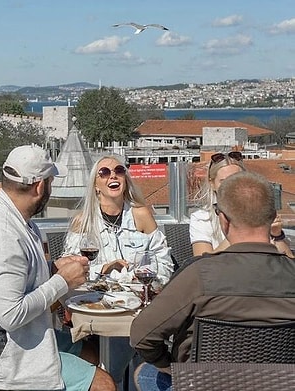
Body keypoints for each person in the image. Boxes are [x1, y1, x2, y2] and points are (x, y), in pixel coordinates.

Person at [0, 144, 115, 391]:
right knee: (104, 385)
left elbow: (17, 274)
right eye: (50, 181)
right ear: (40, 186)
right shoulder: (2, 234)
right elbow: (10, 315)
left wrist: (52, 267)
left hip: (14, 341)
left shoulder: (17, 220)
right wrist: (62, 281)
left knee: (89, 351)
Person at [130, 171, 295, 391]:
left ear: (223, 220)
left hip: (201, 384)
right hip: (280, 385)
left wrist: (169, 366)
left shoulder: (200, 275)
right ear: (272, 216)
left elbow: (141, 336)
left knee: (146, 374)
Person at [62, 154, 173, 387]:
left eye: (119, 170)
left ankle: (119, 380)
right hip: (98, 306)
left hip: (137, 306)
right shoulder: (83, 222)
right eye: (104, 172)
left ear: (125, 178)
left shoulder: (141, 215)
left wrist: (137, 276)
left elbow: (164, 266)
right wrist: (103, 269)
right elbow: (69, 269)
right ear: (96, 184)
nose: (112, 175)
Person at [190, 151, 293, 258]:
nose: (231, 187)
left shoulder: (260, 210)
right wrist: (239, 231)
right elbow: (201, 261)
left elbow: (289, 264)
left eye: (236, 180)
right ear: (212, 184)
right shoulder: (201, 218)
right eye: (224, 181)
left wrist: (277, 235)